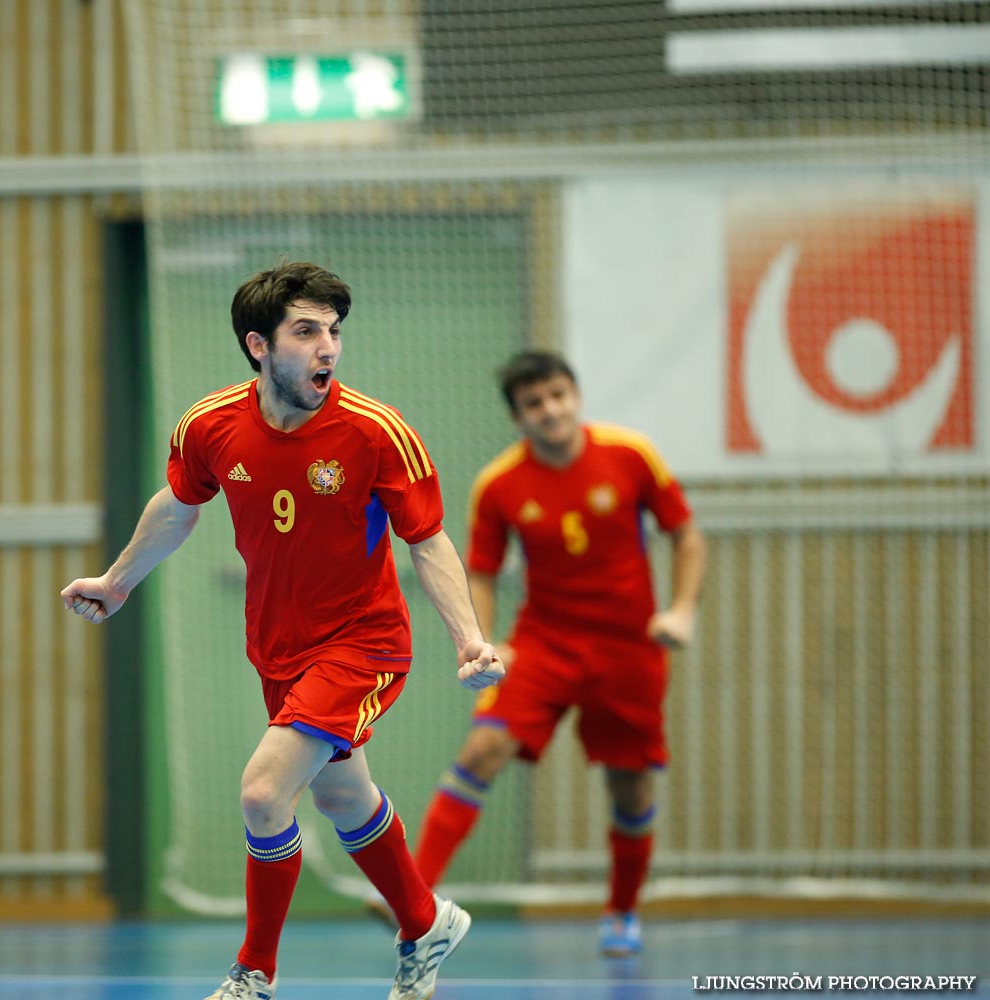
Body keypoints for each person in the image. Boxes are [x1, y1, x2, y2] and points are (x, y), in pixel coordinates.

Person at [61, 261, 504, 1000]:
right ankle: (425, 925)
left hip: (365, 645)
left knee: (265, 793)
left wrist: (468, 637)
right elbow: (178, 507)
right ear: (258, 345)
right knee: (341, 798)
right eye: (306, 331)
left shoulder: (375, 432)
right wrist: (115, 582)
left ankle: (253, 974)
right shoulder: (209, 426)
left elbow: (426, 539)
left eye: (334, 331)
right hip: (276, 646)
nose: (328, 347)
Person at [399, 349, 705, 958]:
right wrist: (480, 640)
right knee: (484, 747)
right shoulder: (500, 484)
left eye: (559, 395)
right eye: (534, 403)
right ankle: (412, 900)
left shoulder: (630, 455)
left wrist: (681, 609)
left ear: (576, 396)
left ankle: (620, 912)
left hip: (627, 651)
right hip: (544, 646)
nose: (551, 410)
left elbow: (685, 535)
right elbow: (479, 572)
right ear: (518, 416)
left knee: (630, 787)